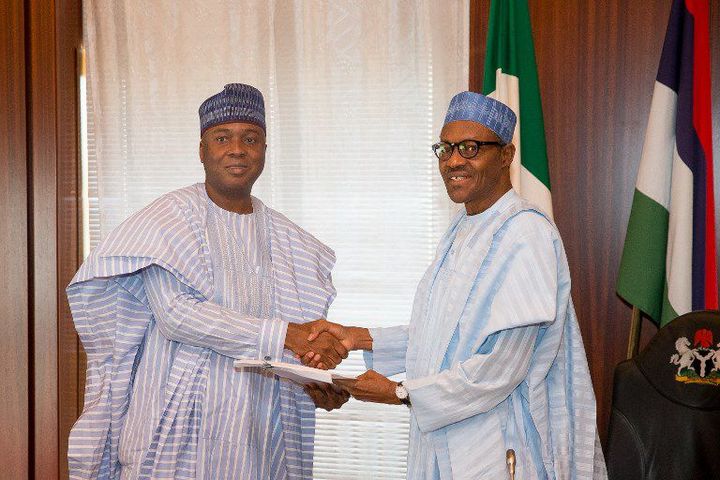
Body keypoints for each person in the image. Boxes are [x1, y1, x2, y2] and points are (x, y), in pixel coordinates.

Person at [309, 92, 608, 479]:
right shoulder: (463, 228)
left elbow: (502, 366)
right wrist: (358, 337)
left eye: (470, 148)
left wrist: (402, 393)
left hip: (499, 447)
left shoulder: (526, 232)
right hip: (447, 440)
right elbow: (451, 336)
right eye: (446, 148)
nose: (453, 161)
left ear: (505, 155)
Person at [66, 83, 349, 479]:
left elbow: (302, 339)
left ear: (265, 150)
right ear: (202, 150)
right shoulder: (169, 218)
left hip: (259, 435)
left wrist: (319, 380)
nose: (237, 149)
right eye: (222, 138)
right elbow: (176, 316)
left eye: (250, 138)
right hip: (174, 433)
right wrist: (286, 336)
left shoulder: (291, 241)